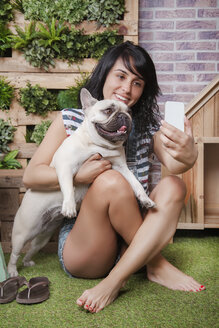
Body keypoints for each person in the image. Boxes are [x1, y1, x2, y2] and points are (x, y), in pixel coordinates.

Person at [23, 41, 205, 313]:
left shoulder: (144, 127)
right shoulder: (72, 119)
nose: (127, 89)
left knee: (173, 186)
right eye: (121, 76)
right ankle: (153, 266)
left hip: (132, 245)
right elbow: (32, 175)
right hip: (88, 248)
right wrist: (78, 176)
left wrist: (190, 153)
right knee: (111, 180)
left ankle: (128, 272)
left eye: (137, 83)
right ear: (105, 74)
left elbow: (175, 165)